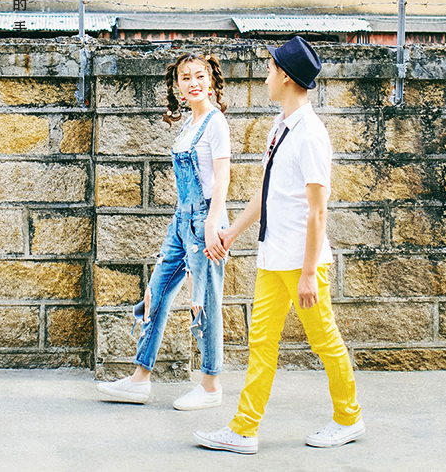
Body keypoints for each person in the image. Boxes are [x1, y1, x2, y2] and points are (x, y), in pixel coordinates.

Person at [193, 36, 364, 454]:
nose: (266, 77)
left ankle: (349, 418)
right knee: (261, 344)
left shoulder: (311, 135)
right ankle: (244, 429)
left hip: (302, 263)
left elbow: (318, 211)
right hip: (272, 257)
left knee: (324, 340)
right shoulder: (280, 127)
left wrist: (308, 274)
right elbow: (267, 193)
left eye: (270, 70)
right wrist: (232, 233)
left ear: (286, 77)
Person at [97, 53, 232, 411]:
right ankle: (139, 379)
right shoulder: (189, 123)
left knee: (205, 302)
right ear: (177, 87)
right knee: (155, 292)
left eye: (199, 76)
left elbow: (222, 179)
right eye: (185, 78)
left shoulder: (216, 123)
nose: (193, 83)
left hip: (206, 219)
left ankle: (211, 384)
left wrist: (212, 224)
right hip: (181, 219)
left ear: (211, 81)